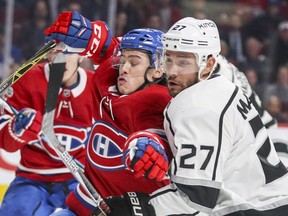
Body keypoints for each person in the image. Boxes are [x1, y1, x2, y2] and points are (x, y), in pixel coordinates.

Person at [102, 17, 288, 216]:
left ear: (208, 64)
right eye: (168, 59)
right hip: (274, 195)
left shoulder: (196, 106)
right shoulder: (222, 83)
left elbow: (196, 198)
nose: (172, 71)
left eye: (183, 62)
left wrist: (138, 208)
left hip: (257, 209)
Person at [43, 11, 172, 215]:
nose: (124, 68)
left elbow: (159, 134)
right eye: (123, 60)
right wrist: (93, 37)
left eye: (134, 62)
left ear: (158, 70)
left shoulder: (158, 99)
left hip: (133, 208)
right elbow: (108, 50)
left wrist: (154, 144)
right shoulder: (111, 78)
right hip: (86, 201)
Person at [0, 52, 96, 216]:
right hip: (33, 178)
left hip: (80, 180)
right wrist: (16, 129)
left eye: (69, 52)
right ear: (49, 54)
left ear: (82, 56)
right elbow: (4, 141)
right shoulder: (28, 79)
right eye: (58, 51)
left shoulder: (95, 85)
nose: (62, 58)